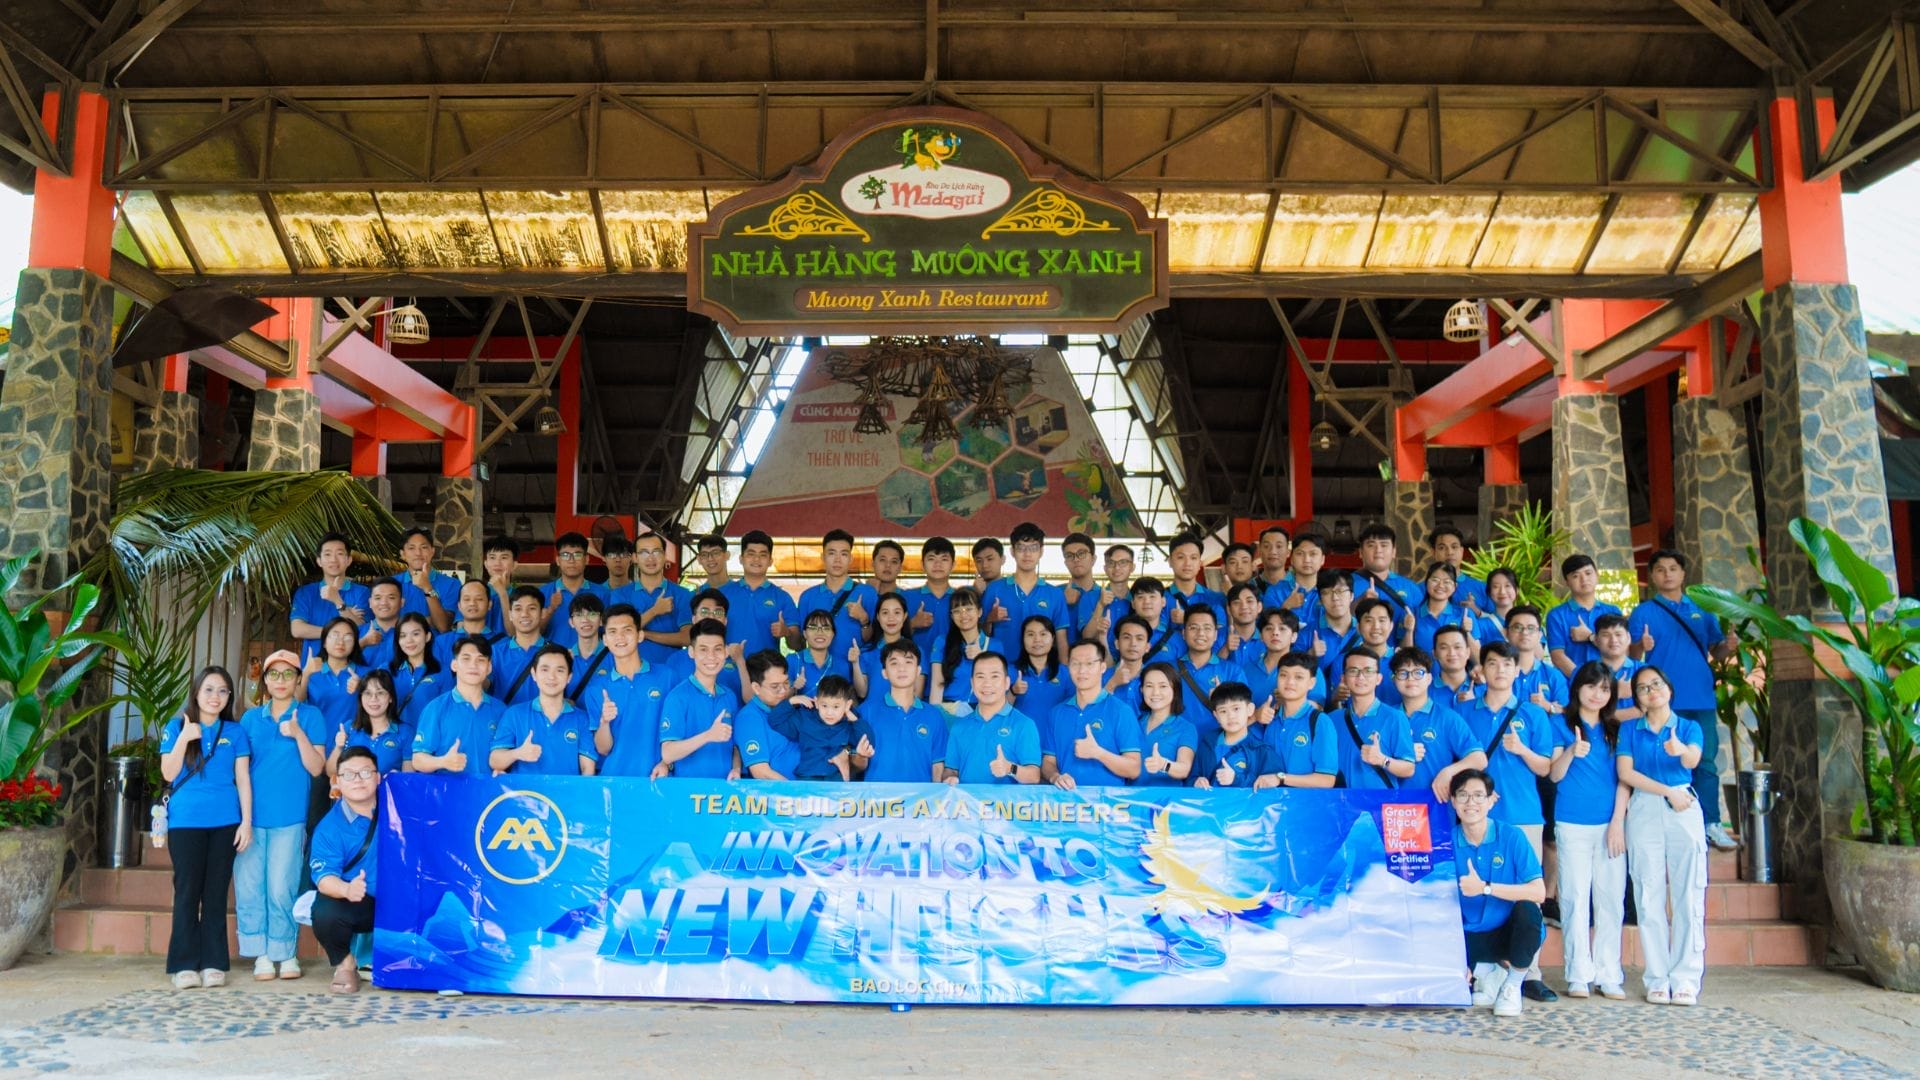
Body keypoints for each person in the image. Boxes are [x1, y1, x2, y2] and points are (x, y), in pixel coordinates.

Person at [1455, 640, 1561, 1003]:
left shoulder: (1533, 714)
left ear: (1517, 670)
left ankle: (1528, 973)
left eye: (1507, 664)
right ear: (1481, 669)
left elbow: (1545, 768)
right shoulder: (1465, 711)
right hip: (1473, 815)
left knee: (1527, 897)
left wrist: (1522, 750)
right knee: (1472, 890)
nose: (1500, 670)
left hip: (1522, 814)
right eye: (1492, 663)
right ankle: (1480, 966)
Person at [1628, 549, 1737, 851]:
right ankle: (1666, 822)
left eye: (1673, 568)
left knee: (1705, 761)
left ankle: (1710, 823)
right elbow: (1633, 655)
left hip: (1700, 697)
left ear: (1683, 573)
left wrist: (1729, 646)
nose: (1667, 574)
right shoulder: (1643, 612)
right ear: (1652, 576)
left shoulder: (1702, 609)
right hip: (1661, 702)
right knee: (1661, 758)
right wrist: (1641, 645)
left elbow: (1716, 652)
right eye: (1660, 569)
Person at [1617, 664, 1709, 1005]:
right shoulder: (1630, 729)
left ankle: (1686, 979)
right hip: (1645, 807)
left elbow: (1693, 759)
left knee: (1688, 894)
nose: (1651, 690)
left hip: (1683, 806)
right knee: (1647, 893)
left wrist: (1680, 750)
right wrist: (1665, 791)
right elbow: (1626, 773)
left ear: (1669, 689)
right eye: (1643, 688)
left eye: (1656, 684)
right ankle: (1657, 977)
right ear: (1637, 698)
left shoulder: (1688, 727)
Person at [158, 667, 251, 989]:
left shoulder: (235, 732)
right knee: (187, 892)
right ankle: (183, 964)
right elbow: (169, 773)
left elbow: (243, 779)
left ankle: (213, 962)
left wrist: (246, 822)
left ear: (229, 697)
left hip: (226, 822)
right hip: (185, 823)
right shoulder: (176, 727)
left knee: (215, 894)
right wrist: (185, 738)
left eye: (223, 691)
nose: (215, 697)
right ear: (196, 692)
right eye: (209, 689)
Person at [240, 652, 323, 983]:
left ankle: (285, 951)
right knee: (250, 887)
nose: (281, 681)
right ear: (265, 680)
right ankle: (260, 953)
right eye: (274, 674)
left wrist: (299, 733)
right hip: (251, 817)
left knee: (281, 887)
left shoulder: (311, 716)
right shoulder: (250, 720)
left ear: (298, 679)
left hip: (290, 816)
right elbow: (239, 769)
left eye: (289, 674)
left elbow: (317, 767)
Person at [1551, 661, 1630, 1001]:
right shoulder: (1561, 724)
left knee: (1611, 899)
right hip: (1571, 823)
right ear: (1577, 688)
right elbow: (1554, 774)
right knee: (1574, 897)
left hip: (1610, 826)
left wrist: (1618, 823)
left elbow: (1625, 780)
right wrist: (1572, 750)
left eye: (1605, 689)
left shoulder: (1617, 729)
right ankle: (1578, 974)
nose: (1597, 694)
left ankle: (1609, 974)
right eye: (1591, 686)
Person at [1451, 769, 1547, 1019]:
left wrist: (1485, 887)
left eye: (1478, 795)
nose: (1470, 802)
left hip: (1505, 932)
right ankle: (1486, 972)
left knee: (1528, 911)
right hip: (1467, 935)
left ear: (1491, 800)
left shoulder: (1512, 836)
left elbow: (1538, 892)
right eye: (1463, 795)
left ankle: (1512, 986)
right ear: (1453, 801)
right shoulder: (1446, 842)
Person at [309, 746, 381, 994]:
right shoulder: (329, 827)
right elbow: (324, 878)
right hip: (364, 902)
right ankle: (346, 963)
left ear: (378, 777)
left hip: (404, 899)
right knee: (325, 913)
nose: (358, 780)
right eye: (349, 774)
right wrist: (347, 889)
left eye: (365, 772)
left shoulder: (399, 805)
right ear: (337, 781)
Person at [584, 603, 674, 779]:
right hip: (614, 781)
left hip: (658, 778)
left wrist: (666, 763)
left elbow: (679, 730)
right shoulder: (596, 688)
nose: (620, 637)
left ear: (640, 635)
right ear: (605, 640)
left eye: (627, 630)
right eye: (612, 632)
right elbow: (603, 749)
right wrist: (604, 721)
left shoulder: (667, 676)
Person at [1042, 640, 1143, 789]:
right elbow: (1048, 762)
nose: (1082, 670)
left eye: (1089, 663)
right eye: (1075, 664)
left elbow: (1134, 769)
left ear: (1102, 667)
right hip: (1066, 801)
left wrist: (1098, 753)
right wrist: (1055, 776)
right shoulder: (1056, 713)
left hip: (1107, 802)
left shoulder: (1121, 711)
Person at [1394, 646, 1484, 802]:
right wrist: (1402, 754)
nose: (1410, 679)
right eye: (1403, 673)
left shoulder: (1447, 717)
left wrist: (1449, 772)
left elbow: (1479, 759)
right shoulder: (1387, 717)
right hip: (1391, 808)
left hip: (1435, 807)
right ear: (1394, 679)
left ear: (1429, 679)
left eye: (1418, 672)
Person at [491, 644, 597, 776]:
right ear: (533, 674)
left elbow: (588, 769)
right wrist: (517, 753)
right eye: (545, 669)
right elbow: (494, 761)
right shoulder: (514, 714)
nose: (551, 677)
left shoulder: (582, 718)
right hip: (526, 789)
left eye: (559, 670)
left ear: (569, 677)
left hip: (566, 790)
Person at [410, 636, 508, 777]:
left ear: (489, 667)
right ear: (454, 665)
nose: (473, 665)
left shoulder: (501, 710)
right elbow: (418, 760)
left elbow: (506, 756)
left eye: (480, 660)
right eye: (466, 659)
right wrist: (443, 762)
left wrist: (503, 770)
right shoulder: (436, 708)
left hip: (489, 790)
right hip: (449, 789)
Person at [942, 652, 1043, 785]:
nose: (987, 684)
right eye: (980, 677)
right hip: (967, 799)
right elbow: (951, 770)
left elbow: (1034, 776)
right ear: (972, 683)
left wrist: (1009, 768)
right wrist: (949, 778)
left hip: (1007, 799)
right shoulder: (959, 726)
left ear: (1007, 683)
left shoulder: (1024, 724)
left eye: (994, 676)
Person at [658, 619, 740, 779]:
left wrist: (736, 768)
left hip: (725, 790)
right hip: (688, 790)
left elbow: (735, 746)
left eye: (717, 649)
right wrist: (708, 735)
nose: (711, 656)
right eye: (703, 649)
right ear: (691, 652)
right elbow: (667, 753)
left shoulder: (729, 696)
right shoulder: (678, 697)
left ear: (726, 652)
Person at [858, 640, 948, 783]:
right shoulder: (866, 711)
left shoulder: (934, 716)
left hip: (921, 796)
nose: (902, 668)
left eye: (908, 662)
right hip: (878, 796)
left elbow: (937, 765)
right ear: (884, 673)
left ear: (918, 670)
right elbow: (855, 762)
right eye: (894, 663)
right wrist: (860, 757)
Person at [1328, 647, 1417, 790]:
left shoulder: (1394, 717)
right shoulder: (1332, 719)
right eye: (1353, 671)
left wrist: (1382, 760)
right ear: (1343, 678)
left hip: (1380, 801)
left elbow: (1409, 769)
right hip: (1341, 800)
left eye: (1368, 671)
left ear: (1378, 678)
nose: (1361, 677)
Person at [982, 521, 1067, 660]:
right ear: (1012, 551)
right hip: (1002, 668)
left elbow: (1061, 639)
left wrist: (1064, 671)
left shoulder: (1055, 594)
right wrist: (989, 620)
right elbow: (980, 635)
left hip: (1041, 670)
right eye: (1021, 548)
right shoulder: (994, 589)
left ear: (1041, 552)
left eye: (1033, 548)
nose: (1027, 554)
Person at [792, 529, 877, 659]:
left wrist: (864, 619)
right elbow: (800, 643)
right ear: (823, 557)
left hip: (857, 669)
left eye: (844, 554)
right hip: (820, 669)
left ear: (851, 559)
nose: (837, 560)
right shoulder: (808, 597)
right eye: (832, 553)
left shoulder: (867, 593)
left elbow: (875, 640)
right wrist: (787, 632)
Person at [1258, 653, 1337, 788]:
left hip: (1306, 801)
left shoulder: (1320, 721)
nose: (1290, 682)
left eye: (1298, 677)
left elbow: (1327, 779)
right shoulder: (1270, 719)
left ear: (1311, 683)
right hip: (1271, 800)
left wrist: (1281, 778)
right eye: (1284, 675)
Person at [290, 534, 370, 663]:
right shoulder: (305, 592)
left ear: (349, 560)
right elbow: (297, 630)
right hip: (314, 668)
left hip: (351, 668)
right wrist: (342, 627)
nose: (333, 559)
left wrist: (338, 601)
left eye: (340, 554)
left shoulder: (362, 592)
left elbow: (362, 631)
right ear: (319, 561)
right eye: (327, 554)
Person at [1170, 605, 1244, 743]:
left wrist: (1221, 699)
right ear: (1183, 633)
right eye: (1193, 628)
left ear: (1215, 635)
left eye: (1207, 628)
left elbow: (1244, 715)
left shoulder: (1233, 671)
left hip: (1217, 745)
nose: (1201, 633)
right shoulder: (1169, 670)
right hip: (1177, 745)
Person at [721, 530, 798, 657]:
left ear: (770, 561)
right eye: (751, 554)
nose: (756, 559)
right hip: (727, 667)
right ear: (741, 559)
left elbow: (798, 645)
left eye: (763, 555)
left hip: (767, 668)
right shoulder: (723, 594)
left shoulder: (782, 598)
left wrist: (787, 632)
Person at [785, 674, 875, 781]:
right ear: (816, 702)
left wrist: (855, 720)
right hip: (809, 775)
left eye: (836, 706)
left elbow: (867, 743)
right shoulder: (805, 718)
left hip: (836, 776)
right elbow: (776, 721)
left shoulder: (849, 724)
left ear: (847, 705)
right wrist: (791, 701)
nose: (829, 712)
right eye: (824, 706)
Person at [621, 532, 692, 663]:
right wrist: (655, 611)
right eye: (643, 553)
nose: (650, 558)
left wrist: (645, 634)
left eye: (656, 552)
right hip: (631, 669)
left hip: (671, 669)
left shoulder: (683, 594)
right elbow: (621, 633)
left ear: (665, 556)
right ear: (635, 558)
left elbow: (687, 638)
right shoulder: (620, 594)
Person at [1191, 683, 1278, 790]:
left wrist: (1236, 779)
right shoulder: (1207, 744)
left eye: (1236, 709)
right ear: (1216, 716)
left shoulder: (1262, 751)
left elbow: (1272, 790)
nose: (1231, 716)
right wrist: (1196, 782)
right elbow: (1192, 778)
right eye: (1223, 711)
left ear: (1250, 709)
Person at [1547, 554, 1622, 677]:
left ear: (1597, 576)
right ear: (1566, 582)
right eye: (1576, 576)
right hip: (1573, 684)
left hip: (1611, 681)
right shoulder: (1556, 615)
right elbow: (1557, 656)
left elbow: (1621, 649)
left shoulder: (1613, 611)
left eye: (1588, 573)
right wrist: (1583, 681)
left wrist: (1590, 637)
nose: (1584, 579)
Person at [330, 669, 412, 776]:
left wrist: (395, 779)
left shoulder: (405, 732)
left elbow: (407, 779)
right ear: (360, 698)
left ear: (390, 698)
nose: (374, 699)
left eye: (380, 693)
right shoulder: (349, 728)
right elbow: (331, 773)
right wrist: (338, 748)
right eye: (368, 693)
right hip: (354, 787)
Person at [736, 651, 803, 780]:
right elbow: (761, 772)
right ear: (756, 688)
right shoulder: (749, 718)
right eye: (775, 686)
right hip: (783, 791)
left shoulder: (789, 707)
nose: (783, 691)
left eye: (786, 683)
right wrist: (797, 791)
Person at [299, 617, 367, 744]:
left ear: (355, 644)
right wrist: (306, 674)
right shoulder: (311, 671)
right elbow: (296, 703)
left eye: (348, 637)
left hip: (354, 747)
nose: (340, 642)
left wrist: (363, 687)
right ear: (324, 642)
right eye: (335, 636)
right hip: (316, 745)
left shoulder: (366, 674)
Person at [1134, 662, 1197, 787]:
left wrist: (1163, 765)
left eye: (1163, 686)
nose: (1155, 692)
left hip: (1167, 797)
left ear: (1175, 690)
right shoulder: (1134, 723)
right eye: (1149, 686)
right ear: (1141, 690)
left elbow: (1184, 769)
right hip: (1130, 796)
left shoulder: (1185, 728)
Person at [854, 592, 922, 702]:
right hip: (872, 711)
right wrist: (855, 663)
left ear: (904, 616)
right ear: (878, 617)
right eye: (885, 613)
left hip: (903, 712)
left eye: (897, 612)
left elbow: (917, 694)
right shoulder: (866, 652)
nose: (891, 618)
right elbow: (862, 693)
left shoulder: (916, 651)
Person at [931, 587, 990, 710]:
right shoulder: (942, 642)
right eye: (957, 611)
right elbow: (937, 685)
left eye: (969, 609)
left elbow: (996, 687)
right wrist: (935, 715)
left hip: (981, 712)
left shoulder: (994, 645)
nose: (963, 615)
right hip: (949, 711)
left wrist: (982, 658)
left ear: (979, 612)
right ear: (952, 616)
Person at [1354, 524, 1423, 627]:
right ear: (1361, 552)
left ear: (1394, 552)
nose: (1378, 550)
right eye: (1371, 545)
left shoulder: (1411, 588)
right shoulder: (1346, 584)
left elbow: (1421, 628)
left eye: (1384, 545)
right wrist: (1359, 602)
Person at [389, 612, 450, 729]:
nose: (409, 640)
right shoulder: (387, 669)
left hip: (429, 738)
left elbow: (447, 712)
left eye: (416, 634)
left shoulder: (442, 671)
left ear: (427, 637)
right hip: (396, 738)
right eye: (403, 636)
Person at [491, 585, 549, 706]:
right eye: (518, 609)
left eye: (532, 608)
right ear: (510, 615)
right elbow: (483, 684)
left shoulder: (556, 653)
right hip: (505, 717)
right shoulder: (495, 653)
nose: (524, 614)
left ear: (543, 613)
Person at [1505, 605, 1569, 714]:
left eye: (1531, 628)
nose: (1525, 632)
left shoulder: (1553, 676)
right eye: (1517, 627)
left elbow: (1566, 715)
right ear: (1506, 633)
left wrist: (1548, 706)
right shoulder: (1497, 672)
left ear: (1539, 635)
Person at [394, 527, 460, 632]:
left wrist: (428, 588)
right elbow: (386, 621)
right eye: (411, 548)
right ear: (402, 554)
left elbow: (443, 627)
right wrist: (429, 620)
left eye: (424, 547)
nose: (418, 553)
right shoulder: (393, 584)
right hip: (399, 642)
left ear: (432, 551)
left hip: (436, 642)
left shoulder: (452, 584)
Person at [1011, 615, 1071, 721]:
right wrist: (1013, 691)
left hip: (1055, 731)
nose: (1037, 640)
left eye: (1043, 634)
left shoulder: (1065, 673)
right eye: (1030, 634)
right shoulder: (1010, 671)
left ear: (1053, 639)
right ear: (1022, 639)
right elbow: (998, 710)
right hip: (1021, 731)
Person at [906, 536, 957, 658]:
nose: (938, 564)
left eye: (944, 559)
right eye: (931, 559)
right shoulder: (906, 597)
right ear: (922, 564)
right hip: (916, 666)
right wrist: (912, 624)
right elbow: (891, 637)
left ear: (953, 565)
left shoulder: (961, 599)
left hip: (954, 664)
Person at [1060, 532, 1113, 646]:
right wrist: (1062, 602)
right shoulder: (1055, 593)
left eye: (1081, 553)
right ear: (1065, 563)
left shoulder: (1107, 596)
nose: (1076, 559)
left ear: (1093, 559)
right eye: (1069, 555)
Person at [1164, 532, 1226, 629]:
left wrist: (1187, 619)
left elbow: (1221, 635)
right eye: (1181, 557)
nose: (1187, 563)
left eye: (1193, 558)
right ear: (1170, 561)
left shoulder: (1217, 599)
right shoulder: (1159, 600)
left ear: (1200, 563)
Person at [1309, 571, 1359, 686]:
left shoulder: (1364, 631)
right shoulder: (1307, 634)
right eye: (1327, 593)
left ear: (1351, 596)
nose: (1335, 598)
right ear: (1320, 600)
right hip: (1320, 696)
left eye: (1340, 591)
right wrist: (1310, 655)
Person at [1409, 563, 1472, 654]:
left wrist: (1467, 633)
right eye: (1435, 580)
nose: (1440, 585)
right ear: (1426, 583)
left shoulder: (1465, 614)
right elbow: (1404, 654)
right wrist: (1409, 631)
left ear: (1455, 586)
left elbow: (1476, 658)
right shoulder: (1412, 614)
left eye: (1447, 582)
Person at [436, 580, 499, 670]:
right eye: (466, 599)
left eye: (479, 599)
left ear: (489, 604)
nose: (472, 603)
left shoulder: (501, 643)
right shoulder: (442, 642)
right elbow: (435, 675)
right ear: (459, 606)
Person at [792, 608, 853, 698]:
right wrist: (794, 688)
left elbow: (848, 698)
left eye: (826, 628)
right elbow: (779, 699)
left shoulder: (842, 665)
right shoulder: (793, 660)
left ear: (833, 634)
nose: (820, 632)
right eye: (813, 628)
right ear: (804, 633)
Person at [1592, 613, 1643, 722]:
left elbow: (1654, 711)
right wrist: (1616, 693)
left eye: (1618, 634)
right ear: (1596, 640)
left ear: (1628, 638)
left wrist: (1603, 715)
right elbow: (1580, 714)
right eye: (1606, 635)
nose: (1613, 640)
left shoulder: (1645, 671)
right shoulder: (1583, 672)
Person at [1429, 525, 1490, 614]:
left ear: (1461, 551)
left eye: (1454, 547)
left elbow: (1498, 621)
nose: (1449, 552)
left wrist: (1477, 612)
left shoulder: (1482, 588)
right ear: (1433, 552)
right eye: (1442, 548)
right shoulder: (1421, 590)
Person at [1104, 614, 1156, 708]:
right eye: (1127, 637)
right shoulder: (1100, 676)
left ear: (1147, 647)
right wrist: (1112, 683)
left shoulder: (1155, 679)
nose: (1133, 643)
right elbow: (1090, 712)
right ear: (1117, 644)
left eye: (1139, 638)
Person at [355, 580, 404, 669]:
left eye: (391, 597)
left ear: (401, 602)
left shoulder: (413, 633)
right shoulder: (356, 632)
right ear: (370, 602)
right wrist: (363, 642)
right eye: (378, 598)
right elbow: (339, 663)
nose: (384, 603)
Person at [1432, 624, 1481, 708]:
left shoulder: (1485, 688)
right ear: (1434, 654)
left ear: (1468, 652)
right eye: (1444, 647)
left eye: (1457, 647)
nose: (1452, 653)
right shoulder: (1423, 692)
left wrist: (1473, 707)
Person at [1218, 583, 1265, 669]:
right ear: (1228, 609)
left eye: (1249, 601)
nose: (1244, 607)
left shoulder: (1268, 638)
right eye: (1236, 603)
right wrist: (1225, 649)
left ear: (1259, 607)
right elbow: (1207, 672)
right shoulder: (1216, 636)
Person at [480, 534, 519, 635]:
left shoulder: (521, 597)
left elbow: (515, 634)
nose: (497, 563)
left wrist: (502, 593)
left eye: (504, 557)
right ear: (485, 564)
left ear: (514, 565)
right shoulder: (474, 594)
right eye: (492, 557)